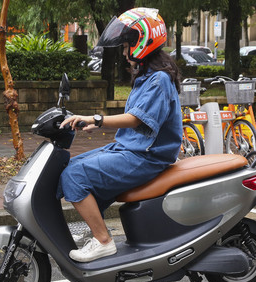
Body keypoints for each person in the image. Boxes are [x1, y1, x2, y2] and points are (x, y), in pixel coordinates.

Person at [58, 7, 183, 262]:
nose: (125, 52)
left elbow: (136, 119)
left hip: (145, 157)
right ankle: (96, 232)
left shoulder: (158, 79)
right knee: (70, 166)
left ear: (144, 41)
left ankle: (104, 241)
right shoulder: (147, 77)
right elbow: (137, 120)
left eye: (128, 46)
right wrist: (96, 124)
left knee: (73, 175)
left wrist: (96, 119)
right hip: (130, 150)